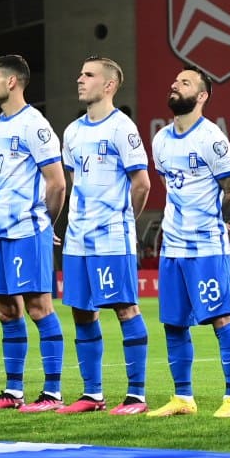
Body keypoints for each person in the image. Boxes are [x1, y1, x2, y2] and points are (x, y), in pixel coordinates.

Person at [0, 54, 69, 412]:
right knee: (7, 311)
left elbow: (57, 183)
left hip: (28, 230)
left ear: (11, 82)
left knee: (39, 307)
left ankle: (52, 393)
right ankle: (13, 392)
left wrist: (44, 224)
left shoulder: (35, 125)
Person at [147, 65, 230, 418]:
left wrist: (215, 221)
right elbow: (171, 187)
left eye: (185, 83)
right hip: (172, 247)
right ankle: (183, 398)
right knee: (174, 323)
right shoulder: (160, 139)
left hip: (205, 248)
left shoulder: (211, 139)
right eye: (175, 81)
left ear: (202, 96)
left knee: (221, 318)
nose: (176, 85)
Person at [59, 56, 152, 415]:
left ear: (109, 85)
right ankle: (92, 394)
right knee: (82, 311)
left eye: (89, 75)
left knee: (125, 307)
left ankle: (136, 396)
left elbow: (141, 184)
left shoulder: (122, 128)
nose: (79, 79)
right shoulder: (72, 131)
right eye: (80, 73)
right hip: (77, 238)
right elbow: (73, 181)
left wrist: (123, 220)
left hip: (111, 236)